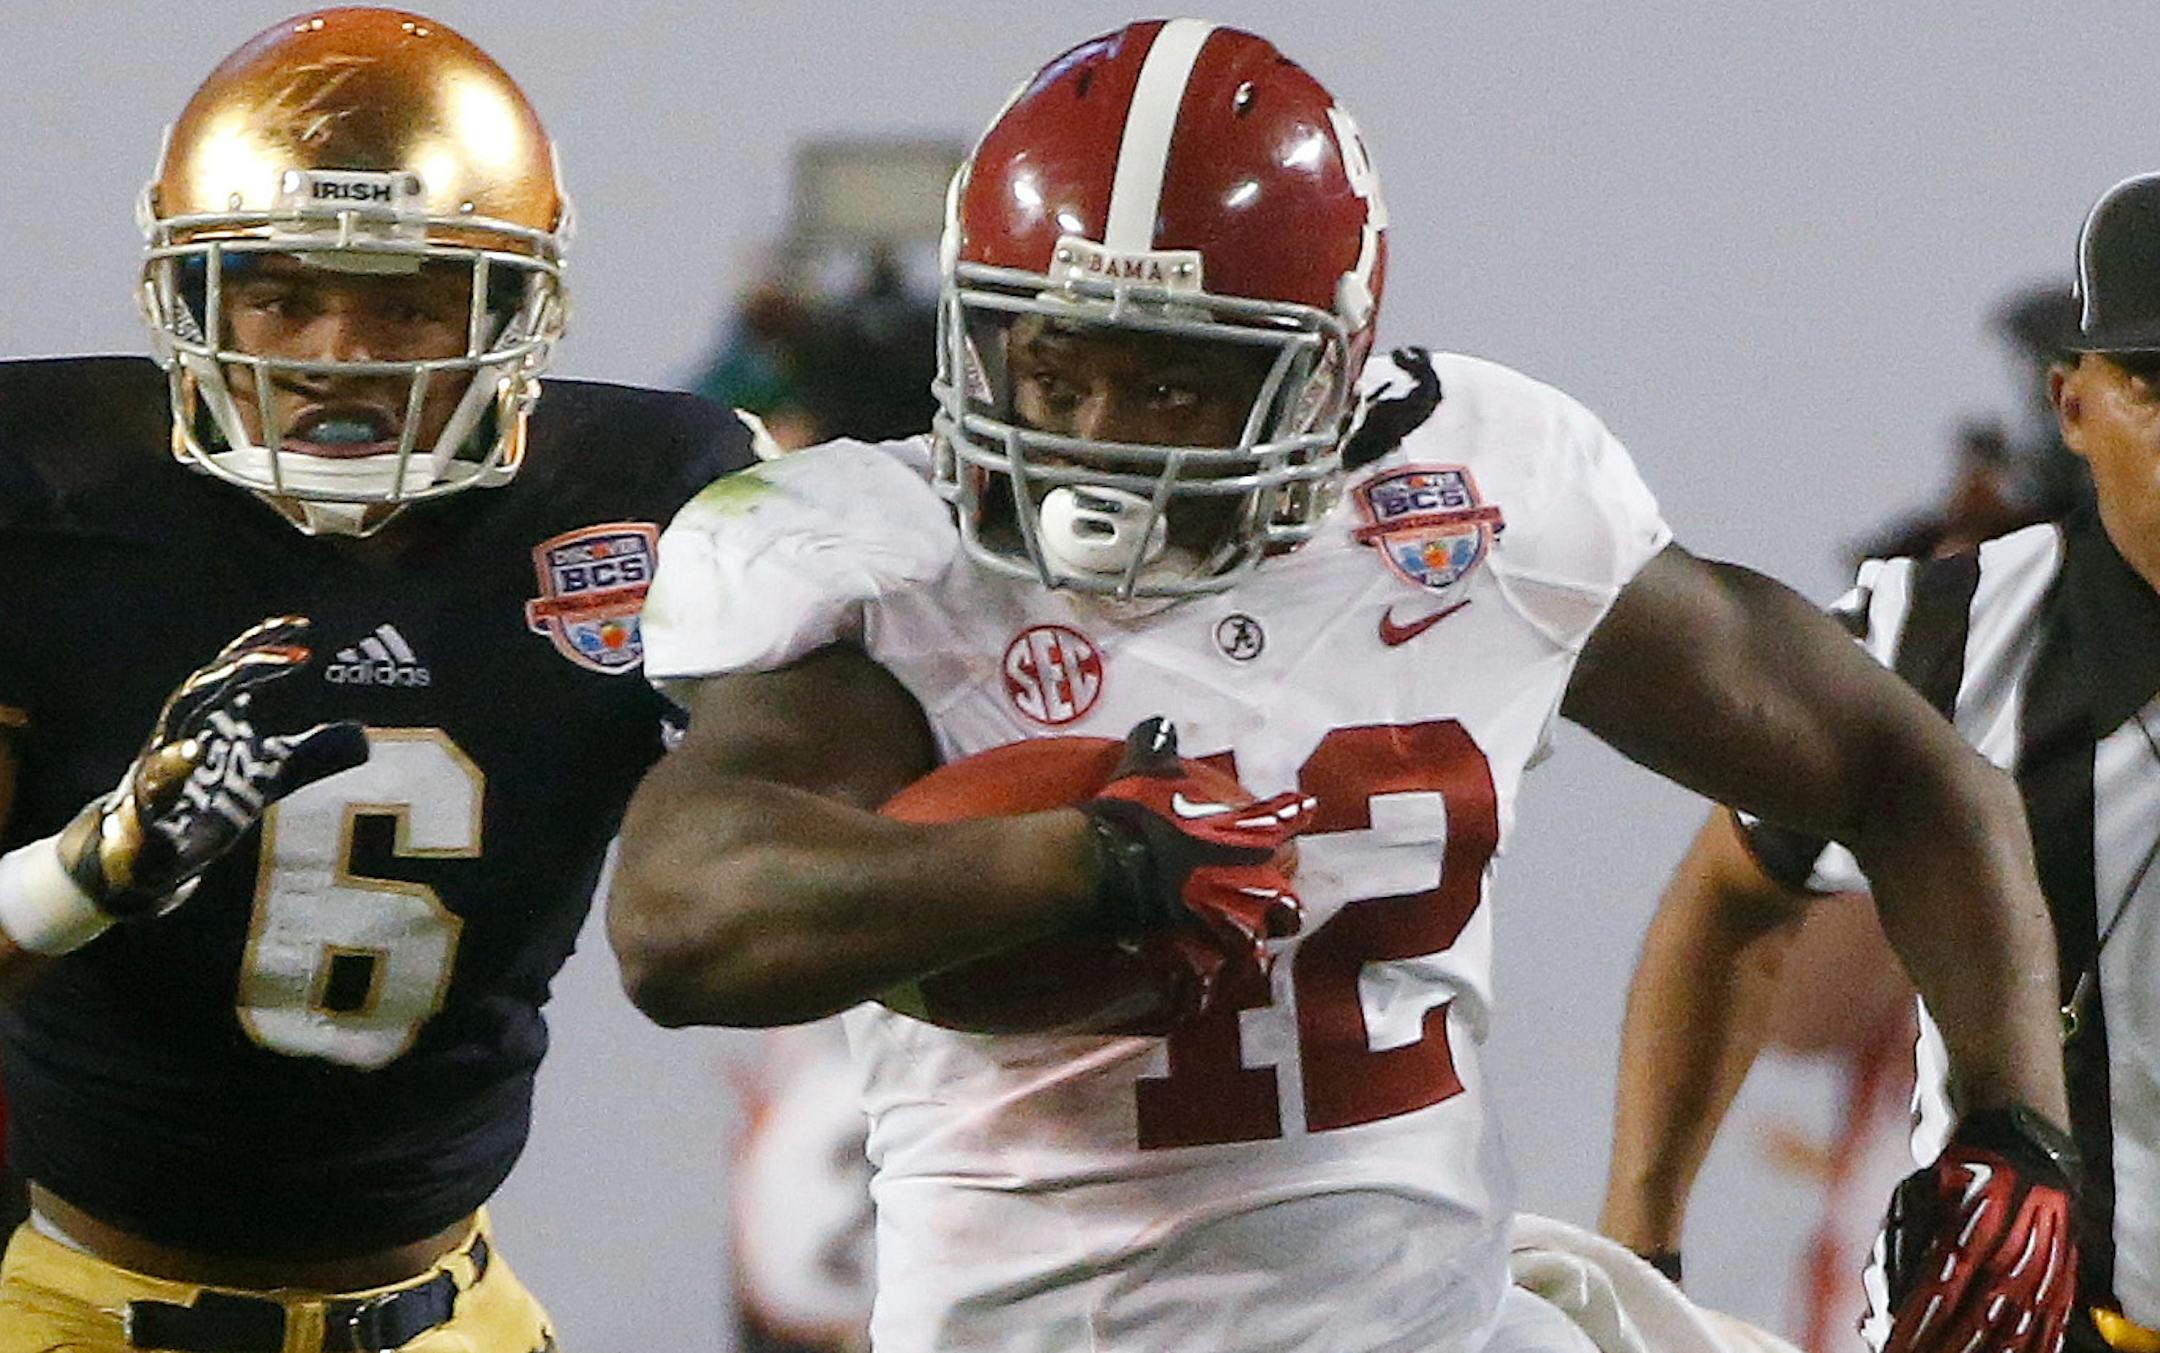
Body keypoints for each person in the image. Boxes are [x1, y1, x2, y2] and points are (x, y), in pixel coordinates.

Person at [613, 21, 2074, 1353]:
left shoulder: (1474, 508)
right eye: (1056, 370)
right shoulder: (889, 562)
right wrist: (1081, 864)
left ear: (1324, 373)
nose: (1096, 438)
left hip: (1437, 1323)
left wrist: (2014, 1126)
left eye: (1171, 383)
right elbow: (680, 923)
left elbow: (1907, 771)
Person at [0, 9, 753, 1350]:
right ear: (194, 297)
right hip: (82, 1313)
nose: (340, 354)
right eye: (283, 295)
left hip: (448, 1312)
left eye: (406, 302)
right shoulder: (42, 497)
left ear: (513, 309)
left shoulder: (657, 500)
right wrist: (93, 868)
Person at [1601, 171, 2160, 1353]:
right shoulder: (1959, 639)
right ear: (2074, 409)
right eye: (2153, 387)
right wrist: (1638, 1251)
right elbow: (1770, 945)